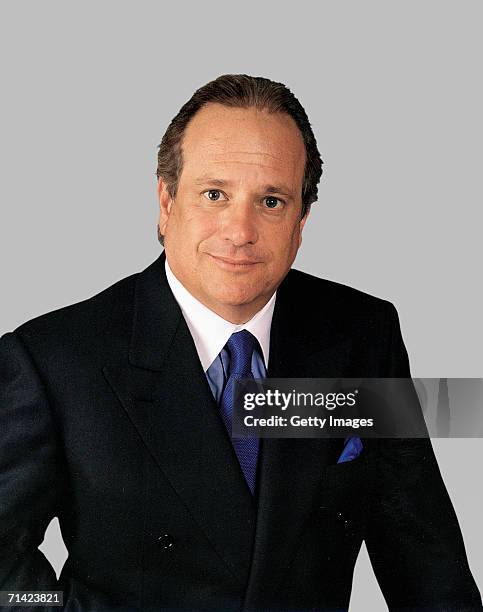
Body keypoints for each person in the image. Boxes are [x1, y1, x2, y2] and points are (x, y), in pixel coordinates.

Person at [0, 74, 480, 612]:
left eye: (271, 201)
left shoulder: (362, 336)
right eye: (214, 194)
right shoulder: (53, 360)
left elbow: (427, 562)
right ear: (166, 200)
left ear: (301, 219)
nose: (240, 230)